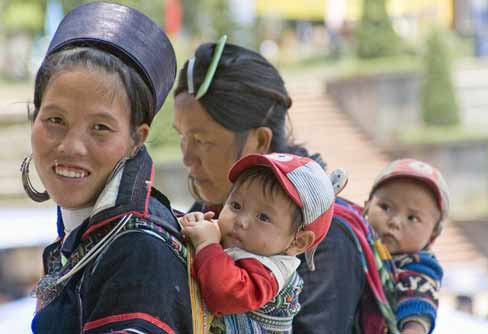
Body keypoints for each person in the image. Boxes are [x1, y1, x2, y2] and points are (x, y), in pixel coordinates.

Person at [173, 37, 366, 333]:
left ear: (260, 140)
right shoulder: (213, 215)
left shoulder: (324, 239)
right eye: (182, 137)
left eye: (202, 141)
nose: (187, 157)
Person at [24, 3, 193, 333]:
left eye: (100, 127)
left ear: (136, 138)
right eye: (55, 120)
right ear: (35, 118)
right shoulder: (92, 234)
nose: (71, 146)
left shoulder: (137, 250)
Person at [180, 153, 338, 333]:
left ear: (298, 242)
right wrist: (196, 223)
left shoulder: (270, 271)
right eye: (236, 206)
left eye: (263, 217)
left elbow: (225, 294)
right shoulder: (245, 240)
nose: (241, 221)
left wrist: (206, 244)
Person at [364, 159, 449, 334]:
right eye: (385, 207)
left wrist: (413, 328)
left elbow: (417, 306)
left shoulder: (417, 267)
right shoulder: (355, 240)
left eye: (413, 218)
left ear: (432, 235)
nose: (394, 222)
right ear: (366, 206)